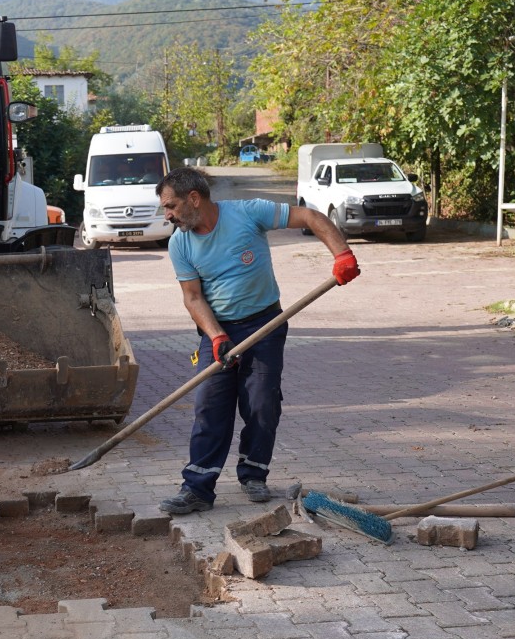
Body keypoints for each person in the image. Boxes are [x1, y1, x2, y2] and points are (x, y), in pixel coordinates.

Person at [154, 166, 360, 514]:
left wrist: (342, 254)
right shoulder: (180, 243)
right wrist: (217, 336)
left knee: (262, 402)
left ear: (194, 198)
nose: (168, 214)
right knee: (209, 404)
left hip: (266, 322)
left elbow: (310, 216)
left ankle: (253, 474)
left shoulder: (248, 213)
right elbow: (193, 298)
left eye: (170, 206)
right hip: (217, 329)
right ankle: (198, 488)